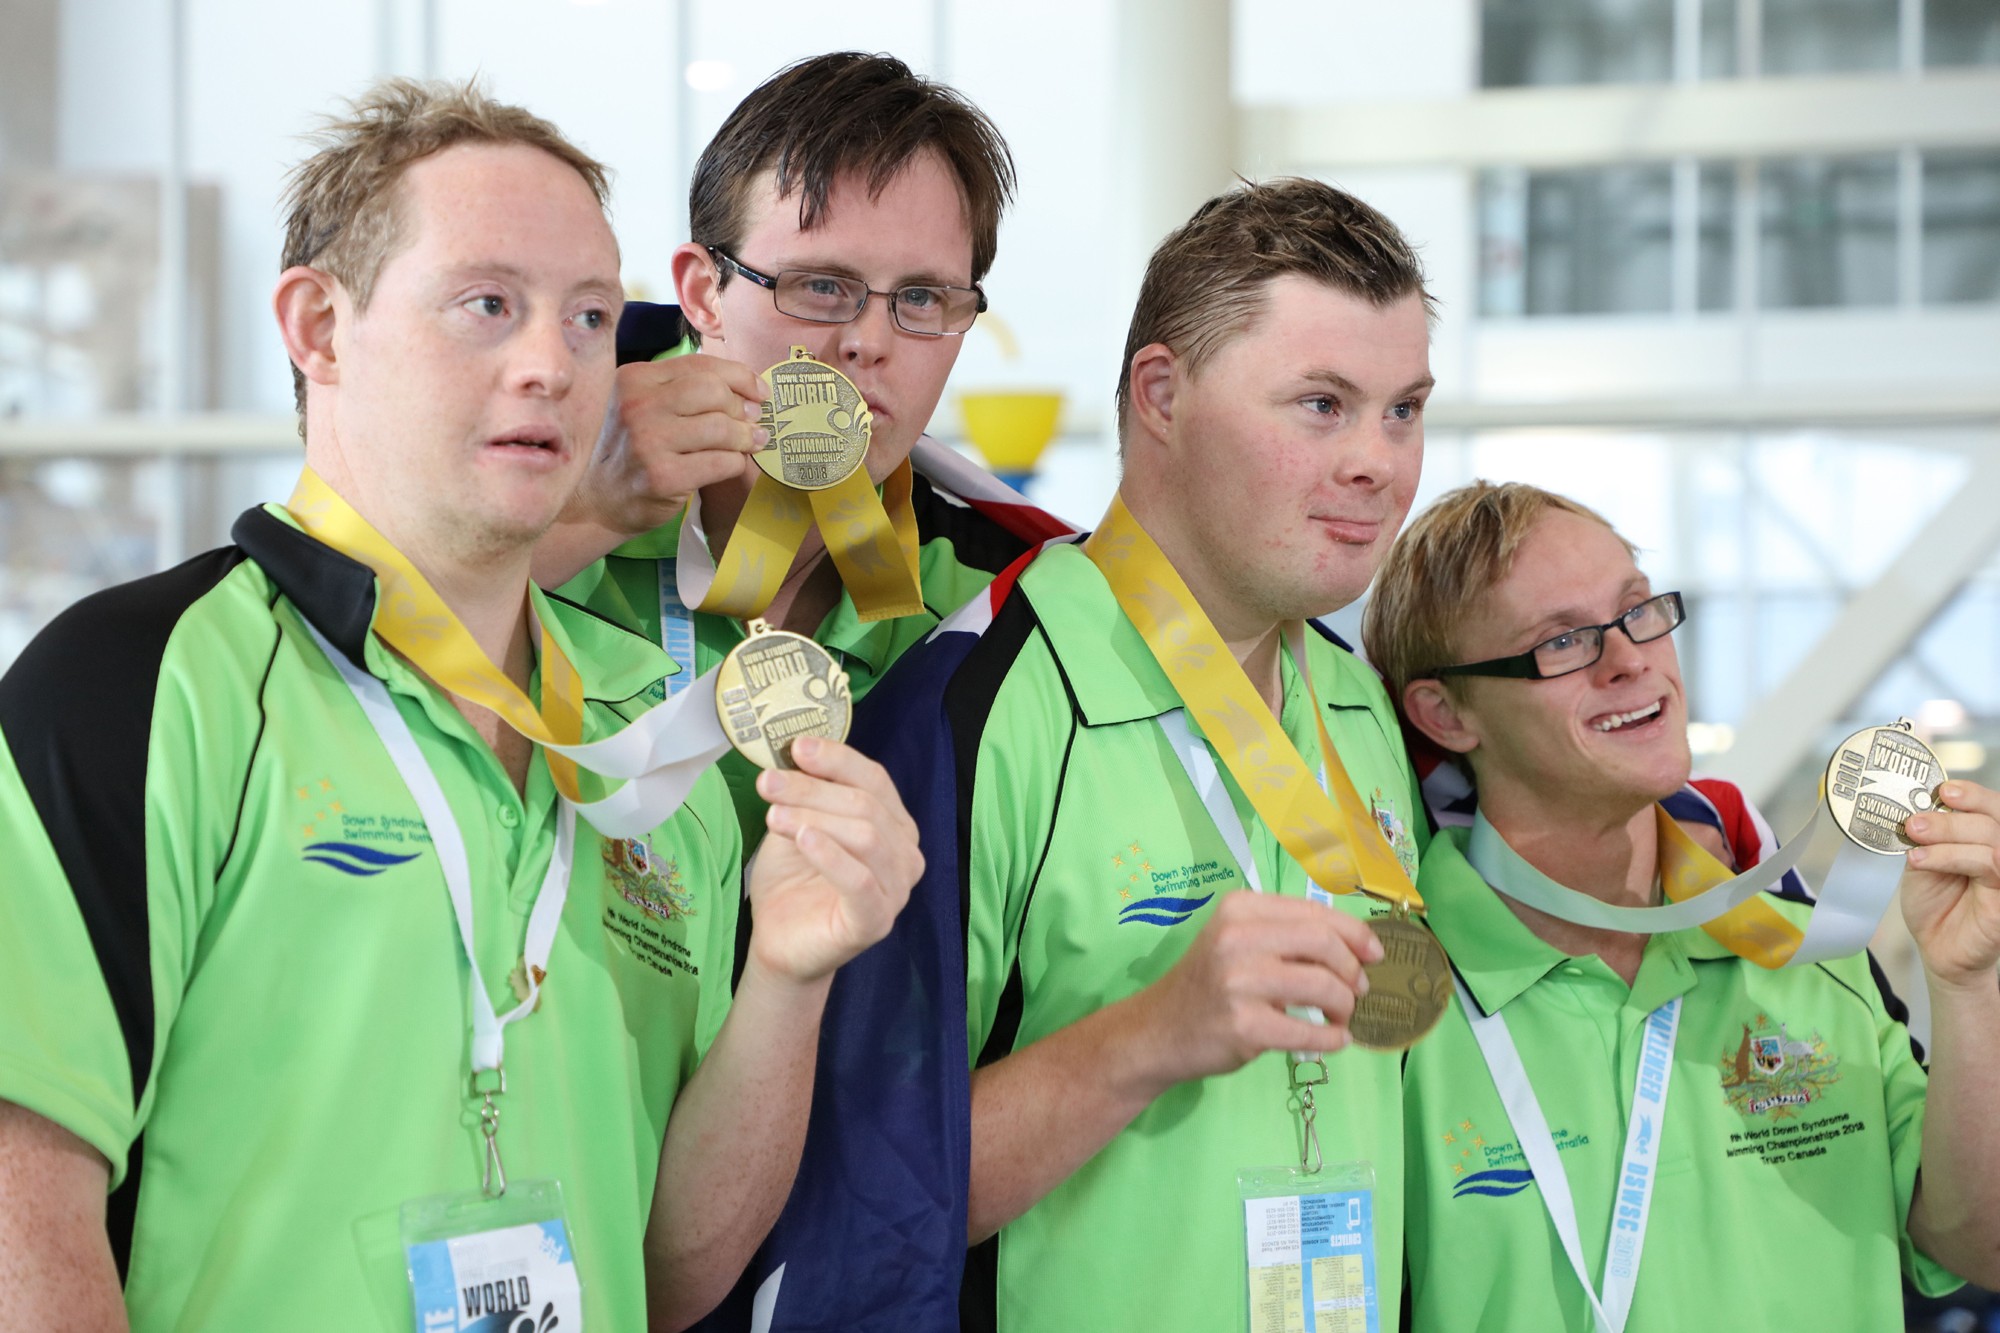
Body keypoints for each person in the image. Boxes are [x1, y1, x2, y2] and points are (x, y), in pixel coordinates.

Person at [0, 79, 921, 1332]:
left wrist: (790, 975)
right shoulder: (135, 684)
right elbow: (24, 1203)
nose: (552, 363)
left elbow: (667, 1273)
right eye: (487, 305)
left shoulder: (654, 751)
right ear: (319, 327)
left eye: (590, 318)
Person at [777, 177, 1436, 1332]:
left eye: (1403, 409)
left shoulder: (1360, 705)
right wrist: (1150, 1034)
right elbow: (855, 1208)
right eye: (1321, 405)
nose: (1378, 462)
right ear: (1162, 395)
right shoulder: (971, 703)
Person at [1363, 480, 2000, 1330]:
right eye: (1562, 641)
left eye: (1638, 611)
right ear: (1446, 712)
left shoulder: (1802, 945)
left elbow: (1980, 1247)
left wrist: (1967, 986)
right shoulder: (1383, 992)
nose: (1631, 659)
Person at [535, 51, 1066, 846]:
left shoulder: (994, 597)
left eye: (922, 297)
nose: (868, 342)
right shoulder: (528, 464)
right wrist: (575, 515)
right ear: (702, 291)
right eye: (821, 284)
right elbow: (355, 639)